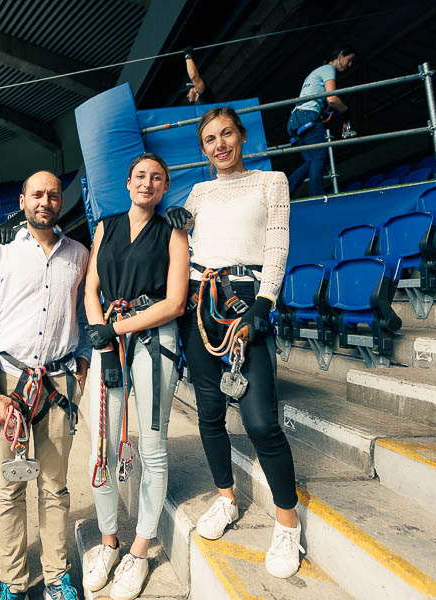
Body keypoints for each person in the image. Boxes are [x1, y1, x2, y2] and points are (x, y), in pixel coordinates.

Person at [164, 106, 301, 578]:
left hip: (248, 301)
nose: (219, 144)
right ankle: (226, 498)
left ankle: (288, 524)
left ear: (242, 136)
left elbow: (277, 244)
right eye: (209, 140)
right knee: (209, 413)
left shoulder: (272, 181)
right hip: (200, 301)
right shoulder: (200, 191)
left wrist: (265, 303)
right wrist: (176, 222)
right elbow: (181, 241)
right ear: (203, 150)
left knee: (262, 421)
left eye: (226, 134)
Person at [0, 170, 90, 600]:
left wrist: (85, 362)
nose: (46, 201)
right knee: (9, 487)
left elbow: (88, 315)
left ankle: (57, 577)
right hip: (9, 382)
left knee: (54, 487)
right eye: (37, 194)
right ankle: (13, 583)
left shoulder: (79, 254)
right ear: (22, 201)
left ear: (61, 203)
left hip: (56, 383)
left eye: (53, 195)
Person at [81, 153, 188, 600]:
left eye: (156, 178)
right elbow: (91, 290)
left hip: (151, 339)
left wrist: (118, 329)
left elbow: (176, 302)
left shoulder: (174, 231)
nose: (147, 183)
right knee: (100, 446)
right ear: (128, 184)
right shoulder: (105, 226)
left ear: (164, 188)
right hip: (109, 337)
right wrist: (103, 343)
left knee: (151, 447)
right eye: (140, 176)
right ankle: (109, 542)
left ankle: (140, 551)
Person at [286, 45, 356, 197]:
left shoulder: (315, 72)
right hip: (307, 116)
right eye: (349, 60)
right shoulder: (328, 69)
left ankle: (285, 191)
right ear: (340, 55)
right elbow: (332, 99)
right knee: (319, 156)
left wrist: (320, 113)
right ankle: (316, 196)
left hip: (294, 119)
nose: (349, 65)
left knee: (311, 162)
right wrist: (346, 112)